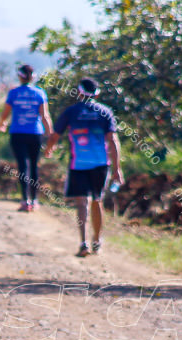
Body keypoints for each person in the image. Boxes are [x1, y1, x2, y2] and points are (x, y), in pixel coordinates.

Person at [45, 77, 123, 257]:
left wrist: (49, 149)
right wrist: (117, 169)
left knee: (82, 203)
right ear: (96, 94)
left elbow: (55, 135)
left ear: (79, 92)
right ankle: (97, 240)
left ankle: (83, 242)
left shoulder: (71, 112)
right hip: (101, 164)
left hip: (78, 164)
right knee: (97, 200)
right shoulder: (105, 112)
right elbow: (113, 140)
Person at [0, 64, 52, 211]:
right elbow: (45, 116)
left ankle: (24, 200)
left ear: (19, 77)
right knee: (34, 166)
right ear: (33, 77)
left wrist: (2, 124)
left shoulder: (14, 93)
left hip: (18, 133)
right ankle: (34, 201)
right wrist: (50, 136)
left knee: (23, 166)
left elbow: (5, 113)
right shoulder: (40, 93)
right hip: (35, 134)